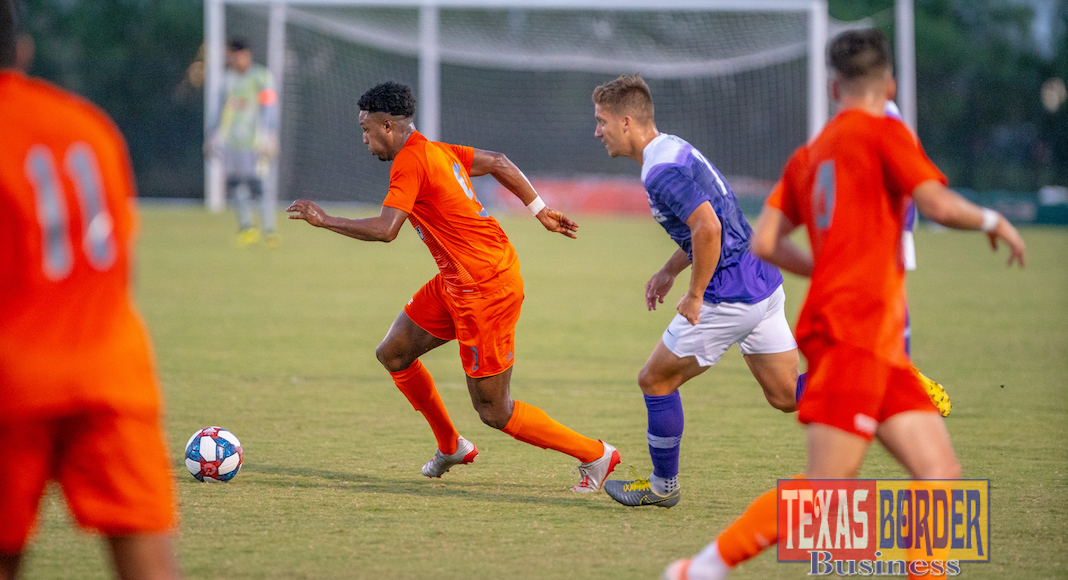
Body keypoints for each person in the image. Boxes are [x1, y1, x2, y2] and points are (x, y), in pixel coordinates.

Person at [662, 28, 1024, 580]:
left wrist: (826, 267)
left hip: (879, 345)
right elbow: (936, 204)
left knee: (940, 476)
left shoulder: (809, 155)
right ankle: (701, 569)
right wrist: (994, 220)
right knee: (826, 492)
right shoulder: (886, 132)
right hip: (852, 334)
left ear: (834, 89)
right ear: (890, 85)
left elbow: (766, 241)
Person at [286, 81, 620, 492]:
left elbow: (387, 229)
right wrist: (539, 210)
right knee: (394, 353)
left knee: (494, 410)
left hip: (485, 287)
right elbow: (498, 162)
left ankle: (596, 455)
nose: (364, 139)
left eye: (366, 129)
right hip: (459, 281)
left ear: (387, 126)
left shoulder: (411, 161)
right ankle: (451, 445)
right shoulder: (436, 150)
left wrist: (325, 220)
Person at [0, 2, 182, 579]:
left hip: (13, 380)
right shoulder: (88, 125)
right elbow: (121, 265)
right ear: (23, 49)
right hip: (112, 372)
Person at [589, 74, 803, 508]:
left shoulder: (660, 171)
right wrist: (669, 270)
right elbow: (710, 221)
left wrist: (695, 294)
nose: (597, 132)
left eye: (602, 121)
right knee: (785, 394)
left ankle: (662, 486)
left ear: (626, 122)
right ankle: (872, 379)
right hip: (761, 281)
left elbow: (708, 227)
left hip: (729, 294)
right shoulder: (674, 148)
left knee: (655, 380)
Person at [205, 38, 280, 247]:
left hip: (256, 141)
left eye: (239, 55)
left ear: (247, 54)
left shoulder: (261, 77)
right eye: (232, 56)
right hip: (231, 142)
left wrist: (271, 135)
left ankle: (269, 229)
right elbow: (218, 110)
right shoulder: (226, 80)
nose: (236, 60)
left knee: (259, 185)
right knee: (236, 184)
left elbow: (270, 108)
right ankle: (246, 227)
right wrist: (211, 136)